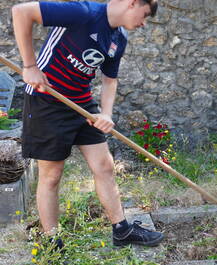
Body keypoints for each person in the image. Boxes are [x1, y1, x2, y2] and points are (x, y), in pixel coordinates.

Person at [11, 0, 164, 247]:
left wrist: (106, 114)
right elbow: (21, 11)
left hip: (81, 103)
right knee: (51, 175)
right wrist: (29, 66)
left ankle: (122, 230)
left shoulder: (119, 38)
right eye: (144, 15)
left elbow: (109, 81)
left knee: (104, 166)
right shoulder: (83, 12)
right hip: (47, 99)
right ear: (132, 3)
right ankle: (52, 242)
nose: (144, 23)